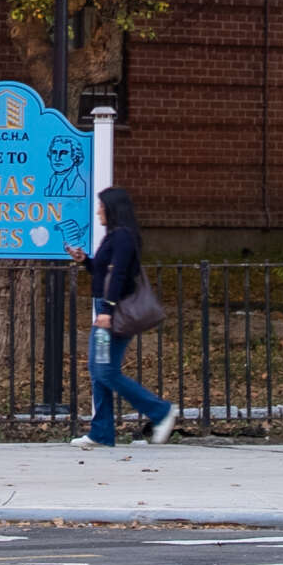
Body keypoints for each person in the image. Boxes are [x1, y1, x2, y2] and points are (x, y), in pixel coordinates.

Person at [79, 186, 176, 449]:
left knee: (105, 371)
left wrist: (107, 312)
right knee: (98, 370)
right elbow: (103, 273)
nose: (98, 210)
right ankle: (101, 432)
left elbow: (119, 276)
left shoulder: (122, 237)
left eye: (101, 205)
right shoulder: (115, 237)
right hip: (106, 308)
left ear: (112, 208)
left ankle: (161, 411)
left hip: (115, 311)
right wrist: (85, 261)